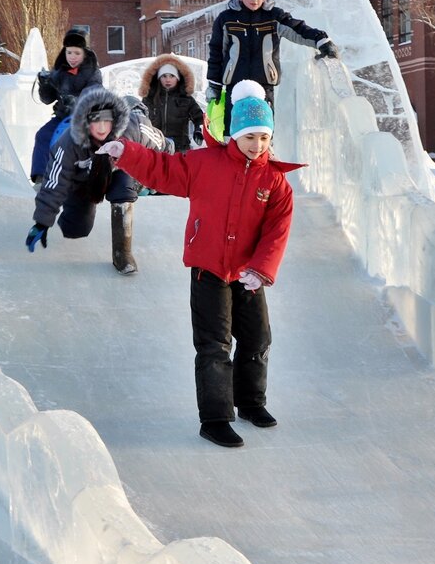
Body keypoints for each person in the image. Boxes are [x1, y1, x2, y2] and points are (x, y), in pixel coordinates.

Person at [95, 80, 303, 448]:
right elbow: (163, 168)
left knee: (257, 339)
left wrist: (260, 269)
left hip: (249, 274)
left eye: (263, 138)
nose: (257, 145)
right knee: (214, 346)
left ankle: (251, 402)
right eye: (249, 137)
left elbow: (277, 229)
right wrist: (124, 152)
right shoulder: (205, 163)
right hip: (209, 270)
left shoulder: (274, 181)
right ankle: (216, 418)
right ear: (235, 134)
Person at [25, 86, 169, 275]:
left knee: (123, 186)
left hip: (120, 172)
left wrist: (160, 170)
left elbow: (160, 144)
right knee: (76, 229)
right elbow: (54, 181)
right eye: (95, 121)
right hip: (86, 181)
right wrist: (42, 222)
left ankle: (122, 253)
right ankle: (73, 219)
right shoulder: (70, 142)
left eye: (106, 121)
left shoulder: (132, 129)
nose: (101, 128)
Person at [205, 0, 339, 137]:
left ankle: (264, 160)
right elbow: (217, 52)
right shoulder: (226, 19)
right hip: (235, 85)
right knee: (234, 130)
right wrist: (214, 84)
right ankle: (234, 161)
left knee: (263, 129)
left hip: (264, 84)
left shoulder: (274, 17)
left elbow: (298, 29)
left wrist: (321, 40)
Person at [29, 27, 103, 185]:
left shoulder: (93, 73)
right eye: (69, 52)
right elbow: (47, 99)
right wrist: (45, 84)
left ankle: (77, 179)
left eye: (77, 53)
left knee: (71, 141)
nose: (72, 57)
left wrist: (76, 102)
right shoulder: (59, 71)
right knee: (43, 135)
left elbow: (93, 93)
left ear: (85, 53)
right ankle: (41, 178)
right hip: (62, 117)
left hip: (85, 120)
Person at [139, 54, 206, 153]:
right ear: (158, 78)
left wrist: (198, 130)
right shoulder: (149, 98)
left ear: (178, 78)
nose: (168, 80)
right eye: (164, 76)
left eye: (172, 76)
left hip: (180, 148)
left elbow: (199, 118)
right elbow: (141, 119)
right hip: (155, 147)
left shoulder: (186, 98)